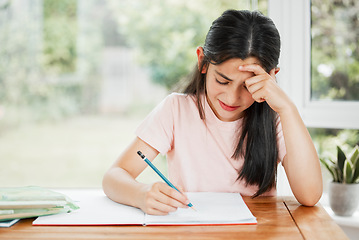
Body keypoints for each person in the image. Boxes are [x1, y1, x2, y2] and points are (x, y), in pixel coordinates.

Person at [102, 9, 323, 215]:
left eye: (247, 86)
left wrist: (288, 108)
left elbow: (310, 195)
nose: (231, 98)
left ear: (271, 77)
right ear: (203, 62)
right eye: (222, 81)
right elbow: (114, 177)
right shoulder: (176, 110)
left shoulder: (277, 119)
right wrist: (141, 194)